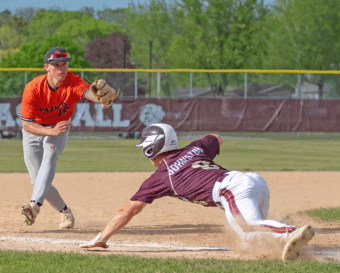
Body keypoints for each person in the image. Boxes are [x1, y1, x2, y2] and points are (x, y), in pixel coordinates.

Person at [80, 123, 315, 261]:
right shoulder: (195, 147)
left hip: (230, 189)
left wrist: (102, 238)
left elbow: (127, 210)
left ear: (153, 149)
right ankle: (284, 228)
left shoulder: (162, 176)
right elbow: (217, 138)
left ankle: (289, 230)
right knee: (254, 243)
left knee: (247, 232)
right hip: (253, 181)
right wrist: (197, 154)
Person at [20, 46, 118, 229]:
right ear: (46, 67)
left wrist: (99, 98)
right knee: (38, 180)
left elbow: (87, 92)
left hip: (60, 127)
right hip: (35, 130)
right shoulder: (33, 88)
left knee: (50, 154)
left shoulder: (72, 81)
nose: (61, 68)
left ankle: (34, 206)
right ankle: (66, 212)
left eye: (64, 64)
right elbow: (27, 124)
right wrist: (50, 131)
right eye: (56, 65)